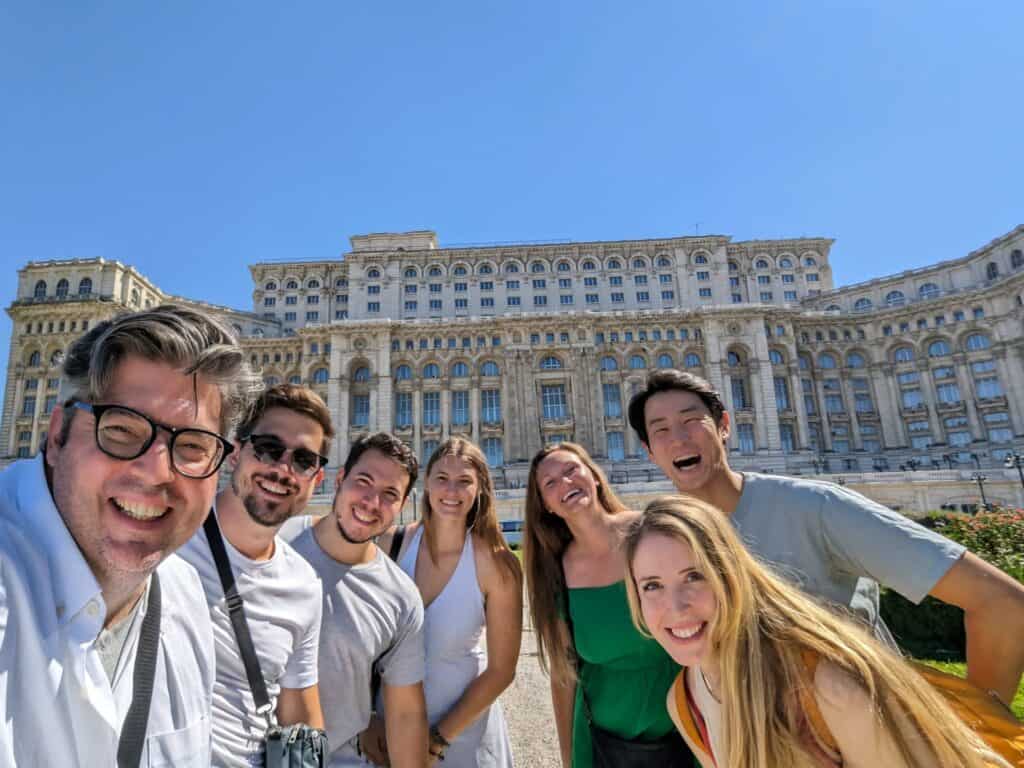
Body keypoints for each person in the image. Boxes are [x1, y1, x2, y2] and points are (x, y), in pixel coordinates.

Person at [628, 369, 1024, 705]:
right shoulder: (668, 543)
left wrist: (980, 732)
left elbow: (1001, 602)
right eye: (660, 430)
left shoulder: (815, 507)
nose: (677, 439)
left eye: (690, 421)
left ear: (725, 425)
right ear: (648, 451)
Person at [0, 304, 261, 767]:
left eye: (193, 446)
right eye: (120, 429)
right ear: (57, 435)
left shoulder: (184, 593)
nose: (155, 473)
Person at [624, 495, 1012, 768]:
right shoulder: (685, 698)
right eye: (652, 585)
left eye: (695, 576)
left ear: (732, 576)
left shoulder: (828, 686)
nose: (675, 608)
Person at [178, 384, 331, 766]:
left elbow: (301, 714)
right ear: (234, 452)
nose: (282, 469)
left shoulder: (304, 586)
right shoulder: (169, 534)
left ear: (317, 478)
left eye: (303, 460)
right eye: (268, 448)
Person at [523, 442, 692, 768]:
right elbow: (564, 675)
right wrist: (569, 758)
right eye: (550, 483)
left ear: (595, 476)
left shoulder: (652, 531)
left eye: (572, 470)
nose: (566, 483)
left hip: (688, 730)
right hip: (607, 746)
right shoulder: (555, 571)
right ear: (545, 505)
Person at [282, 432, 428, 768]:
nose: (372, 502)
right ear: (339, 479)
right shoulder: (275, 543)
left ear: (403, 506)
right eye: (363, 481)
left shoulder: (401, 597)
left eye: (390, 494)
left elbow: (406, 714)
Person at [378, 437, 521, 766]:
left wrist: (438, 738)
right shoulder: (391, 544)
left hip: (461, 731)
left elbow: (502, 670)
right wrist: (369, 718)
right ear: (426, 483)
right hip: (389, 726)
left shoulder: (497, 564)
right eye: (442, 479)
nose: (451, 491)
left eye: (464, 482)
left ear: (481, 488)